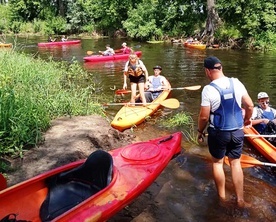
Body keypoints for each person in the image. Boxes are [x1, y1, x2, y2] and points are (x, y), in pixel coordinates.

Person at [197, 56, 254, 208]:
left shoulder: (208, 89)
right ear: (221, 68)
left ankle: (222, 199)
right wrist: (247, 120)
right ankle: (240, 200)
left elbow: (204, 116)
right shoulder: (236, 82)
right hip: (237, 131)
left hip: (218, 133)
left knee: (217, 163)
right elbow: (249, 105)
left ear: (207, 71)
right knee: (235, 163)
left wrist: (199, 131)